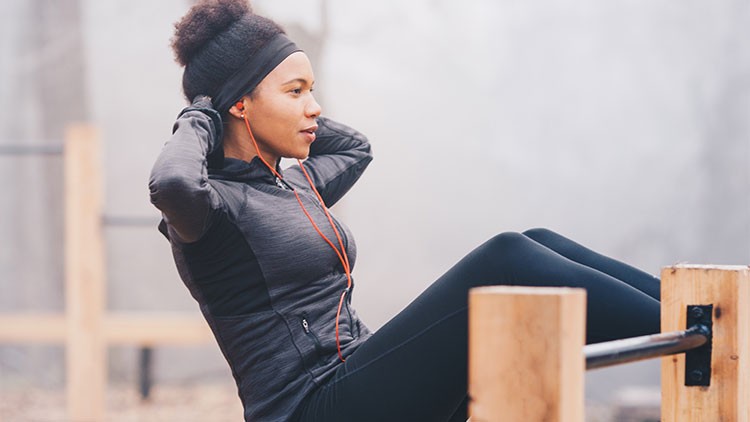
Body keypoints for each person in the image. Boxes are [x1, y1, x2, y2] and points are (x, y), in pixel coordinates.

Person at [149, 1, 661, 420]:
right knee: (506, 257)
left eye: (312, 89)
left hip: (356, 378)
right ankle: (703, 332)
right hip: (309, 407)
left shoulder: (294, 183)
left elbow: (355, 147)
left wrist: (284, 117)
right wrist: (201, 115)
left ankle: (695, 311)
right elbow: (172, 182)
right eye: (295, 91)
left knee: (537, 238)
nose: (315, 106)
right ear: (240, 103)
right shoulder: (209, 212)